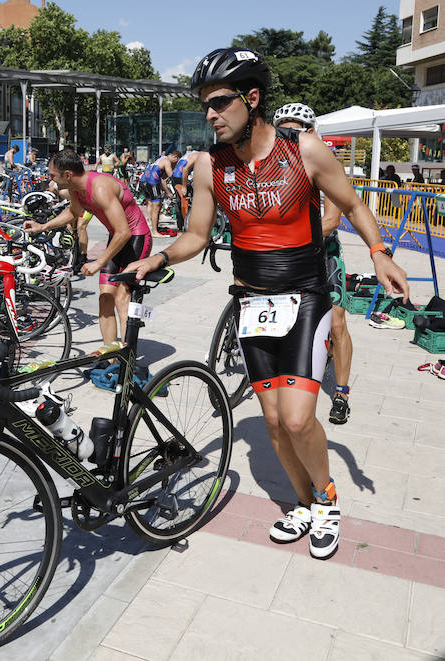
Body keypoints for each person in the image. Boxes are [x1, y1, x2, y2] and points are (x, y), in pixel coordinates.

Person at [126, 47, 409, 560]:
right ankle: (301, 502)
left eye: (219, 103)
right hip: (251, 303)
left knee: (299, 418)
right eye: (204, 106)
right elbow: (195, 235)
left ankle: (326, 499)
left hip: (305, 298)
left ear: (251, 99)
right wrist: (158, 257)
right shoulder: (209, 166)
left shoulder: (304, 151)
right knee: (274, 421)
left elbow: (352, 203)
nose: (210, 115)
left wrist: (380, 251)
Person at [273, 102, 354, 425]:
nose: (290, 137)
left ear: (311, 133)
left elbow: (332, 219)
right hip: (286, 253)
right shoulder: (272, 167)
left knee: (336, 322)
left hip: (322, 253)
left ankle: (342, 392)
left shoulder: (325, 162)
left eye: (297, 131)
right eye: (284, 131)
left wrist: (292, 237)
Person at [24, 149, 152, 348]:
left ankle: (128, 360)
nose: (50, 179)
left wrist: (98, 262)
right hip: (117, 237)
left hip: (136, 236)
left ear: (67, 175)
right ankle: (110, 354)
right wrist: (43, 226)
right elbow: (73, 212)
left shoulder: (99, 188)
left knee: (122, 298)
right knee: (105, 298)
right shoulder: (77, 189)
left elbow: (124, 232)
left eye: (52, 175)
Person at [145, 150, 181, 235]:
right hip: (152, 183)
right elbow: (170, 174)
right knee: (156, 206)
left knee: (158, 205)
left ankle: (156, 228)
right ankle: (154, 231)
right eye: (177, 161)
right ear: (175, 157)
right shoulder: (166, 161)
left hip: (153, 183)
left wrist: (166, 191)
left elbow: (163, 179)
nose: (176, 163)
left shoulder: (162, 159)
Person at [171, 152, 190, 222]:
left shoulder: (185, 157)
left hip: (175, 177)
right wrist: (184, 186)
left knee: (179, 200)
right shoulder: (197, 157)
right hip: (180, 177)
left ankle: (180, 222)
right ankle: (185, 220)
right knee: (185, 199)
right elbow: (185, 170)